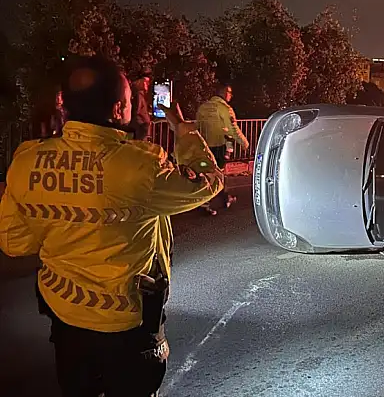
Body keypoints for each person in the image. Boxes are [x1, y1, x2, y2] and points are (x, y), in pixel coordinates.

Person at [0, 55, 223, 397]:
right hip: (127, 326)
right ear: (119, 110)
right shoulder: (143, 165)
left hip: (65, 318)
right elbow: (209, 181)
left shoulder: (27, 159)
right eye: (133, 101)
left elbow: (15, 243)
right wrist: (182, 128)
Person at [196, 83, 250, 213]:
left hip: (204, 145)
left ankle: (223, 197)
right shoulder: (225, 108)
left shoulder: (203, 107)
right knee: (217, 174)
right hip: (219, 146)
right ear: (223, 92)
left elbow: (198, 126)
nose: (231, 95)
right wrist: (244, 143)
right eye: (229, 92)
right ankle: (211, 201)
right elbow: (233, 129)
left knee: (209, 172)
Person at [130, 70, 153, 142]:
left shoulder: (141, 95)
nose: (147, 84)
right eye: (146, 82)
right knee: (140, 143)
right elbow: (137, 109)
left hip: (142, 125)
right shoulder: (139, 95)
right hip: (140, 125)